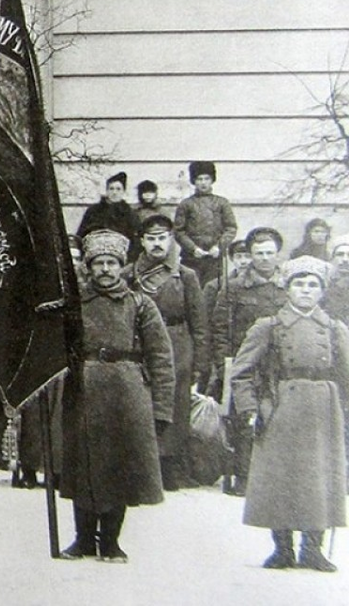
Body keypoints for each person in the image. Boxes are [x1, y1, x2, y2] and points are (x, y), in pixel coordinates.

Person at [60, 230, 174, 563]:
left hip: (128, 392)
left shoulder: (140, 304)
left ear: (121, 266)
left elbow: (161, 358)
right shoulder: (75, 304)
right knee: (85, 465)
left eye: (111, 263)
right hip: (84, 388)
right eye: (99, 264)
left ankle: (110, 540)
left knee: (119, 468)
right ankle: (82, 539)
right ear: (90, 268)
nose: (106, 269)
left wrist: (162, 408)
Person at [230, 256, 348, 573]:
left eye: (313, 285)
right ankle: (282, 549)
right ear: (287, 288)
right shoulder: (268, 327)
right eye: (299, 284)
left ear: (322, 291)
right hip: (281, 406)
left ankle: (313, 549)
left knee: (319, 477)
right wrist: (251, 409)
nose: (306, 291)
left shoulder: (336, 329)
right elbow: (241, 373)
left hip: (324, 410)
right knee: (280, 478)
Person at [125, 214, 207, 491]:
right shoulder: (129, 275)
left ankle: (170, 466)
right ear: (142, 241)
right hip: (141, 344)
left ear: (171, 239)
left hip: (177, 345)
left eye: (162, 238)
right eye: (151, 238)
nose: (157, 244)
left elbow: (199, 323)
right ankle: (142, 465)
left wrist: (199, 362)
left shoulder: (186, 276)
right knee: (142, 402)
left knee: (176, 404)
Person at [209, 226, 288, 496]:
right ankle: (243, 477)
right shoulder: (234, 287)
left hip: (280, 364)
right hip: (244, 363)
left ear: (278, 254)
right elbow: (219, 327)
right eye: (258, 253)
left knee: (277, 416)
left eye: (270, 253)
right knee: (243, 419)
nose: (264, 258)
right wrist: (223, 364)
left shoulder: (289, 283)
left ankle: (275, 479)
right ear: (250, 254)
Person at [174, 161, 237, 286]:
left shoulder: (222, 203)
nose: (203, 183)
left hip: (214, 259)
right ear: (193, 181)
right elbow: (178, 231)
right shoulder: (186, 204)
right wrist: (193, 248)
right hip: (191, 259)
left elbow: (231, 228)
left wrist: (219, 246)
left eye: (207, 178)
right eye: (199, 179)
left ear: (212, 180)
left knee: (214, 290)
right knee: (192, 290)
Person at [77, 172, 140, 244]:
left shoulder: (129, 213)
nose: (114, 192)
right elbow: (81, 234)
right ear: (106, 191)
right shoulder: (93, 211)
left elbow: (135, 239)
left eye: (118, 189)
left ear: (123, 192)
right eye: (111, 189)